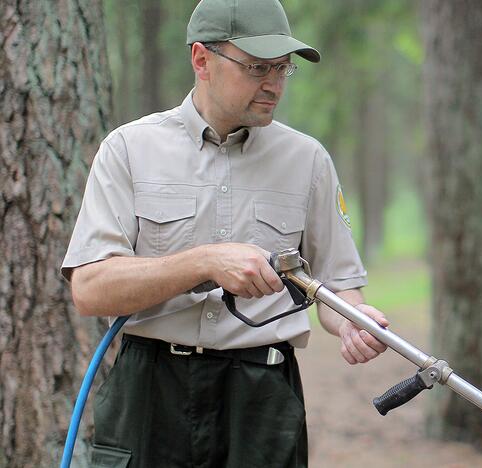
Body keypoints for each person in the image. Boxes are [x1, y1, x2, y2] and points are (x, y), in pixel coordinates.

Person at [61, 0, 389, 466]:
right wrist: (205, 261)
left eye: (282, 69)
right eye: (257, 67)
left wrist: (352, 320)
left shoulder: (308, 161)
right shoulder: (130, 149)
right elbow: (91, 290)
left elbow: (338, 286)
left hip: (262, 395)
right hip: (151, 390)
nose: (274, 85)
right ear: (201, 60)